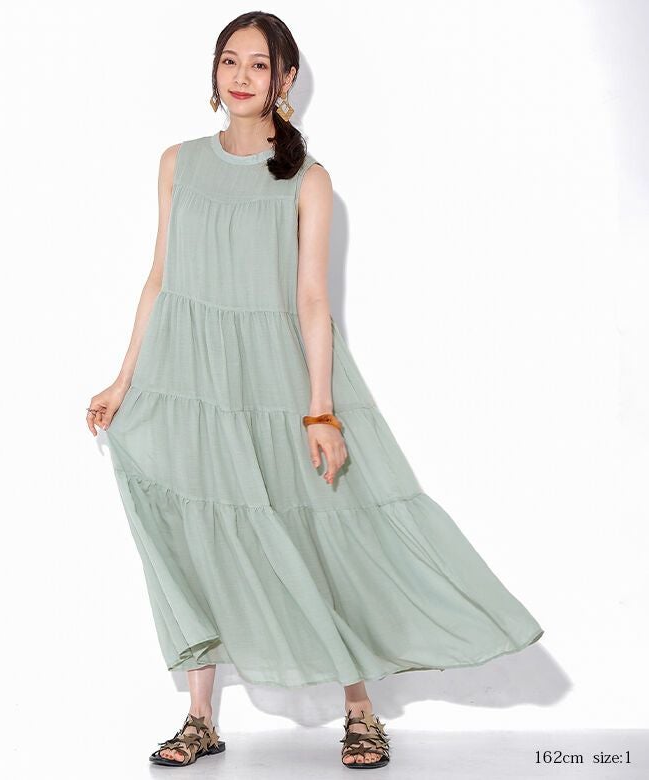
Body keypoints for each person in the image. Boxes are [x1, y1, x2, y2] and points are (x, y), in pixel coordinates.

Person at [86, 11, 544, 770]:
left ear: (286, 79)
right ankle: (199, 719)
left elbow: (310, 300)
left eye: (258, 64)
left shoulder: (307, 178)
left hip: (274, 379)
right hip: (188, 379)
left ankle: (360, 712)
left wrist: (320, 409)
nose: (241, 76)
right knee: (197, 537)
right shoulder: (177, 163)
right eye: (229, 60)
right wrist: (123, 377)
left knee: (314, 535)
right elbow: (161, 276)